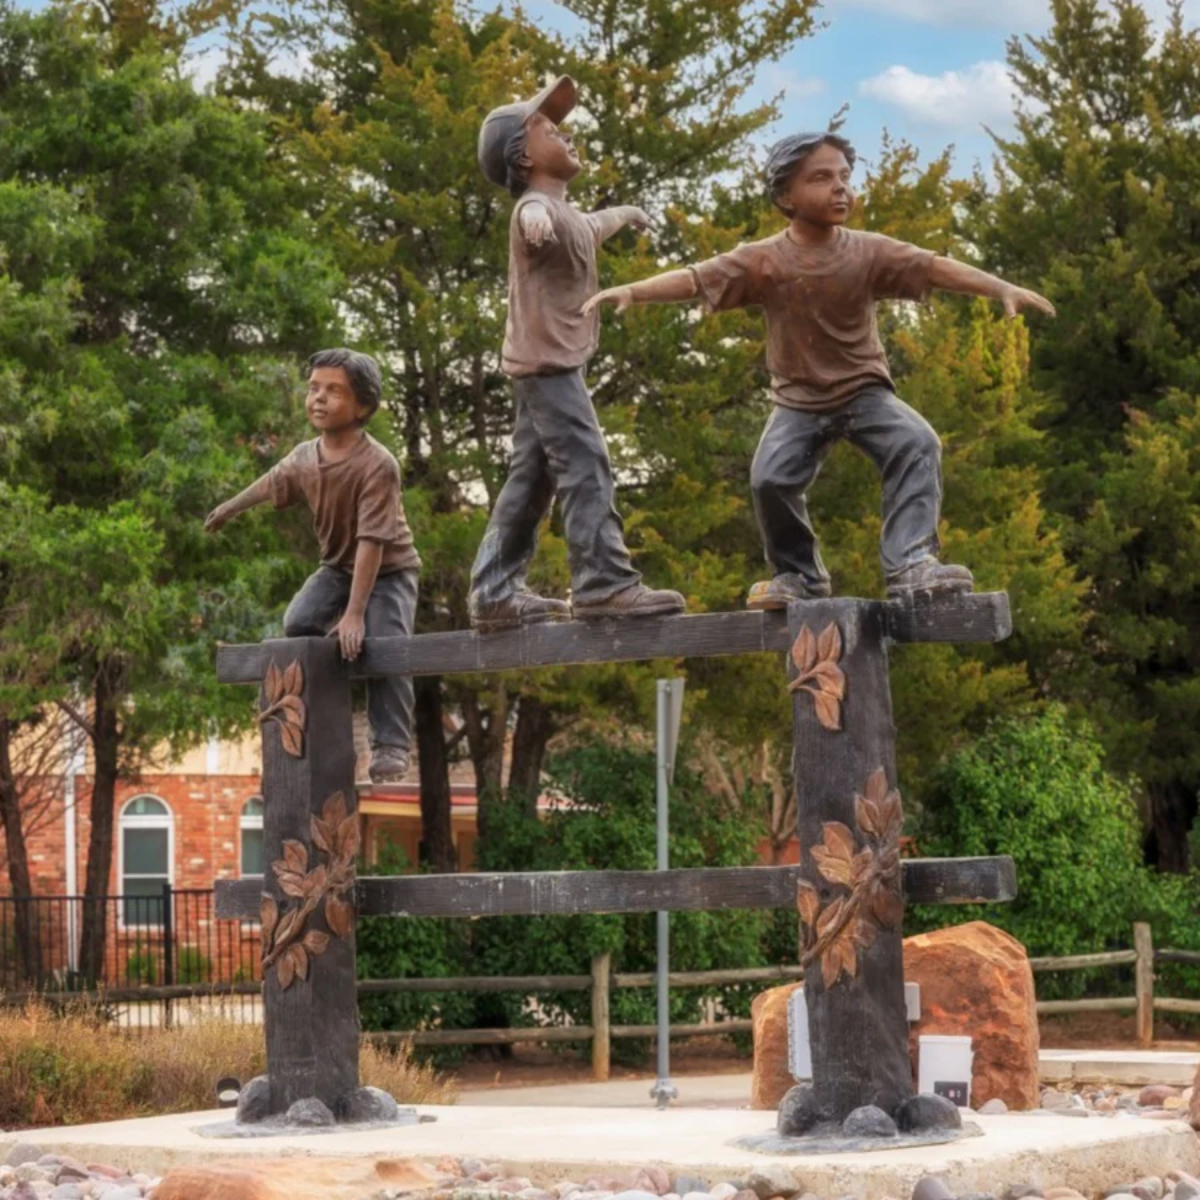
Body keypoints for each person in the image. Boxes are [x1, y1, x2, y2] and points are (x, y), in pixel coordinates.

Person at [583, 132, 1056, 607]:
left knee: (917, 443)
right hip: (799, 403)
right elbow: (695, 278)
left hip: (864, 393)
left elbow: (933, 267)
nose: (840, 189)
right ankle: (798, 574)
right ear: (786, 196)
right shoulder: (763, 259)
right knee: (769, 479)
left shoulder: (868, 251)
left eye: (846, 178)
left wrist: (999, 288)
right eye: (822, 178)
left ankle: (913, 563)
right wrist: (633, 291)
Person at [469, 74, 685, 631]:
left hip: (544, 362)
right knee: (585, 462)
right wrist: (534, 219)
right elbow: (530, 221)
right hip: (547, 366)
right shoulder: (535, 209)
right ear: (522, 158)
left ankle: (493, 592)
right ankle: (602, 582)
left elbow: (591, 225)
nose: (564, 134)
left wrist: (629, 211)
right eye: (547, 127)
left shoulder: (567, 212)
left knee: (532, 475)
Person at [205, 348, 419, 783]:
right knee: (299, 623)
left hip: (389, 569)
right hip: (338, 568)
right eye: (314, 388)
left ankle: (391, 744)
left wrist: (356, 612)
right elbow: (272, 482)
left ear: (363, 406)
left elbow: (372, 541)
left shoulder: (378, 465)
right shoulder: (305, 456)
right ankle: (322, 712)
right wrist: (231, 507)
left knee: (387, 642)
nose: (319, 398)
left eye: (334, 391)